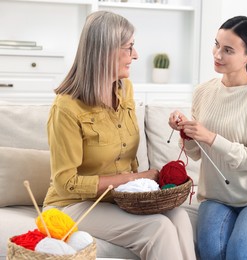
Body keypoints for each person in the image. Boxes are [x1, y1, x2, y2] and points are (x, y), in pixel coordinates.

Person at [42, 11, 196, 260]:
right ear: (106, 51)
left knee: (179, 216)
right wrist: (137, 178)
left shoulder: (125, 89)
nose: (135, 55)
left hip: (119, 199)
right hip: (71, 205)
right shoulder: (66, 107)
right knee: (158, 228)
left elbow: (127, 157)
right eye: (129, 47)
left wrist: (141, 187)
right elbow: (66, 182)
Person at [168, 16, 247, 259]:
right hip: (216, 197)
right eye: (216, 45)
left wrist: (211, 137)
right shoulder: (203, 91)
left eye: (228, 50)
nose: (217, 54)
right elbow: (197, 154)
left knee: (240, 254)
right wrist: (186, 132)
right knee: (210, 254)